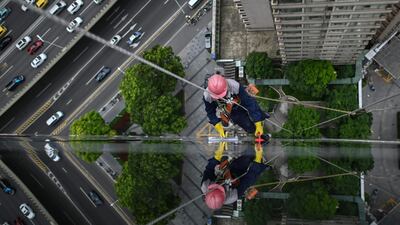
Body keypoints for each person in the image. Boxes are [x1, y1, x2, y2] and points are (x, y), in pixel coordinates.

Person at [200, 142, 269, 209]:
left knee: (248, 155)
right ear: (224, 196)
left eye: (218, 186)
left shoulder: (205, 185)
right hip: (239, 179)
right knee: (258, 164)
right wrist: (258, 160)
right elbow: (248, 180)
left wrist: (217, 155)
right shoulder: (232, 196)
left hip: (230, 171)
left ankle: (261, 142)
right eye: (221, 188)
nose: (220, 185)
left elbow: (210, 168)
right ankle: (264, 160)